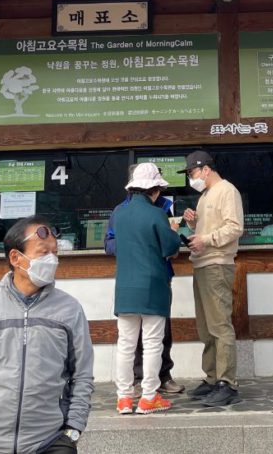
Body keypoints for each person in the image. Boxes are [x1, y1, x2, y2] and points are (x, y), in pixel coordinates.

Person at [0, 215, 94, 454]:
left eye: (55, 253)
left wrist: (72, 431)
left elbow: (82, 376)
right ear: (16, 257)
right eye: (43, 252)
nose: (52, 260)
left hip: (49, 443)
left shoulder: (69, 310)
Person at [104, 169, 183, 397]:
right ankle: (149, 396)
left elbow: (112, 244)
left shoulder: (119, 213)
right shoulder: (156, 213)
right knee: (153, 344)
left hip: (125, 287)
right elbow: (170, 247)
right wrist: (174, 232)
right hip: (153, 285)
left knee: (125, 345)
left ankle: (124, 398)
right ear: (155, 190)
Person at [179, 150, 243, 407]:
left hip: (217, 264)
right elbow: (210, 230)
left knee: (219, 326)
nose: (190, 179)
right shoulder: (205, 195)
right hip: (203, 264)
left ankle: (227, 383)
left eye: (192, 173)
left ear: (205, 169)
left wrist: (205, 239)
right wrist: (194, 226)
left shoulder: (227, 190)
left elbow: (235, 227)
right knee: (206, 327)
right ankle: (212, 377)